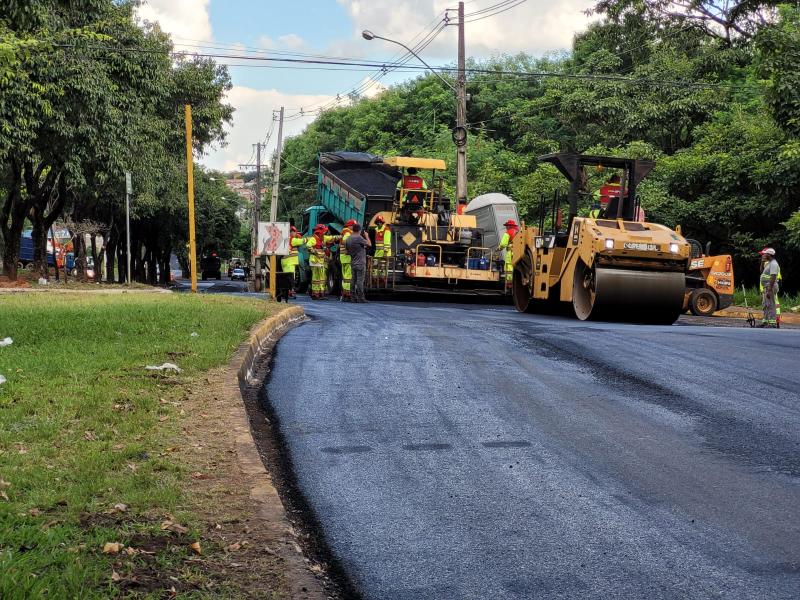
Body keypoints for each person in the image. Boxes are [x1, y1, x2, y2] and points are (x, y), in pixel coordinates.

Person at [306, 224, 339, 300]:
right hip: (315, 261)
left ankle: (320, 293)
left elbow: (332, 238)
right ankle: (315, 294)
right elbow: (308, 246)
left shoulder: (323, 238)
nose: (325, 233)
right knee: (316, 278)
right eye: (324, 232)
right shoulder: (313, 239)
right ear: (319, 232)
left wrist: (341, 236)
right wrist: (314, 251)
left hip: (320, 261)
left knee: (321, 278)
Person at [345, 222, 371, 303]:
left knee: (353, 280)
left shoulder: (348, 238)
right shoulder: (359, 238)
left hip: (353, 262)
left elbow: (347, 252)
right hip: (360, 262)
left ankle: (353, 298)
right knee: (360, 280)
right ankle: (361, 298)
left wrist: (359, 249)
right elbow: (369, 244)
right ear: (359, 230)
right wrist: (366, 236)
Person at [758, 247, 782, 328]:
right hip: (766, 287)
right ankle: (765, 321)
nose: (764, 255)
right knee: (765, 304)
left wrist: (769, 289)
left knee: (771, 305)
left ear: (769, 254)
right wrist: (762, 262)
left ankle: (772, 323)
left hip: (770, 287)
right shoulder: (768, 263)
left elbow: (773, 276)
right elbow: (761, 272)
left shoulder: (774, 264)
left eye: (765, 254)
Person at [281, 226, 305, 296]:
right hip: (289, 262)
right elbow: (302, 241)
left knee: (287, 277)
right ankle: (289, 291)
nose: (294, 233)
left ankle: (288, 291)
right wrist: (310, 239)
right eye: (293, 231)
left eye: (294, 231)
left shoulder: (285, 239)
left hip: (285, 261)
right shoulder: (293, 240)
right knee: (290, 277)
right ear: (290, 232)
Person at [339, 219, 357, 302]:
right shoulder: (347, 233)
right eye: (353, 225)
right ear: (350, 226)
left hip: (343, 257)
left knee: (345, 276)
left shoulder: (345, 232)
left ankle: (344, 293)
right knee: (348, 276)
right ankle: (347, 293)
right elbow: (345, 241)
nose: (354, 227)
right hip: (347, 258)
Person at [498, 219, 519, 289]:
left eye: (507, 226)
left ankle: (509, 284)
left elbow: (503, 244)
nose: (506, 227)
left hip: (511, 252)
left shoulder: (508, 232)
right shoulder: (518, 232)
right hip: (518, 252)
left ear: (509, 226)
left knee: (509, 266)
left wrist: (499, 248)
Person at [372, 215, 392, 287]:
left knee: (383, 268)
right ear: (376, 223)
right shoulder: (376, 229)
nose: (379, 223)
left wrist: (385, 252)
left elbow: (387, 242)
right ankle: (375, 281)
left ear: (383, 223)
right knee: (375, 267)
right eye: (378, 222)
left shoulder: (386, 230)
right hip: (377, 252)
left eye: (380, 222)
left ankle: (382, 282)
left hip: (384, 253)